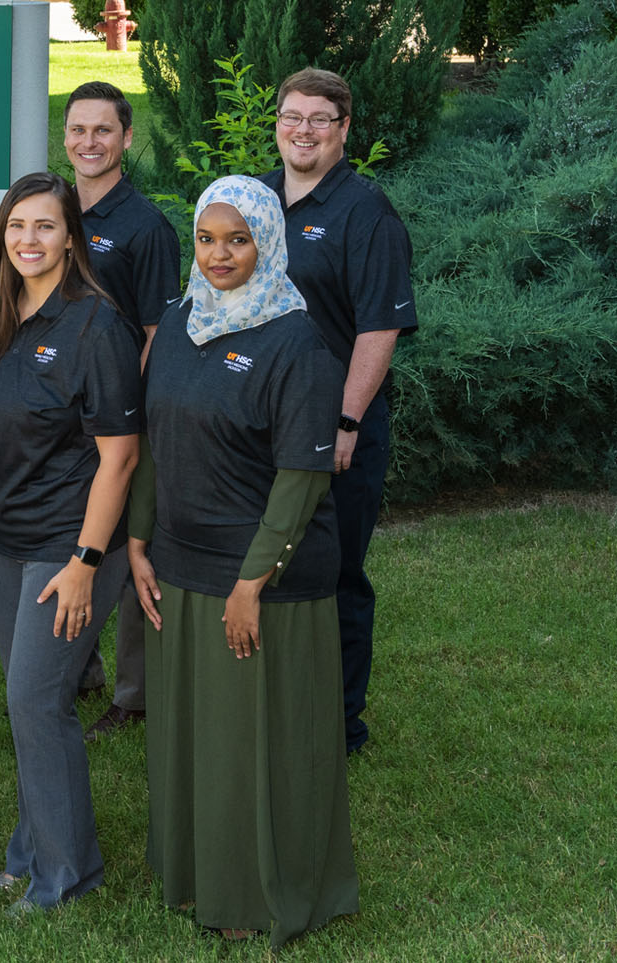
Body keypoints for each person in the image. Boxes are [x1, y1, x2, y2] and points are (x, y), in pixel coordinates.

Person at [128, 175, 357, 947]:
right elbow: (157, 438)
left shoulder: (297, 341)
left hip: (263, 581)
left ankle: (263, 894)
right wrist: (136, 539)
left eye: (238, 239)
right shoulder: (179, 318)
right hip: (179, 566)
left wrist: (252, 583)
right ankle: (194, 876)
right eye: (206, 238)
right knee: (194, 743)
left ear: (268, 243)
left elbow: (302, 477)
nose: (220, 254)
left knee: (255, 746)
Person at [0, 172, 142, 913]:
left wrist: (86, 562)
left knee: (37, 699)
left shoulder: (96, 327)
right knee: (28, 701)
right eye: (17, 227)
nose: (29, 240)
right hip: (2, 541)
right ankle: (32, 849)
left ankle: (66, 876)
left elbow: (121, 456)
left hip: (68, 546)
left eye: (45, 226)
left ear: (73, 236)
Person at [259, 67, 418, 754]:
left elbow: (378, 329)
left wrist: (347, 421)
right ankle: (273, 700)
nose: (304, 129)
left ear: (345, 129)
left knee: (336, 569)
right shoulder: (256, 198)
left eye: (320, 118)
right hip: (259, 422)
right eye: (293, 115)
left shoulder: (365, 212)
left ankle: (339, 722)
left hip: (336, 426)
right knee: (268, 563)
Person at [62, 80, 182, 734]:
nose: (89, 141)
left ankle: (134, 694)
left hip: (119, 423)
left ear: (126, 138)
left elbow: (158, 336)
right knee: (68, 537)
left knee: (129, 544)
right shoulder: (55, 210)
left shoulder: (146, 228)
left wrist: (121, 417)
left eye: (102, 130)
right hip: (60, 419)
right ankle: (78, 665)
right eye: (78, 129)